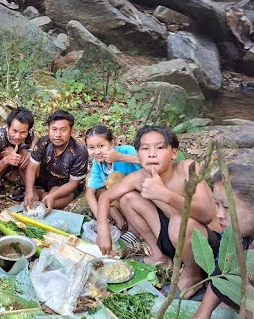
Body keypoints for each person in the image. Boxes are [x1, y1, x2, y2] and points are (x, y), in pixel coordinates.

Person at [97, 126, 216, 294]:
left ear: (174, 153)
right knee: (128, 198)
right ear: (138, 155)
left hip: (205, 243)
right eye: (145, 149)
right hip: (171, 237)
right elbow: (105, 197)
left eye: (159, 148)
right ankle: (160, 255)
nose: (152, 154)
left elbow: (207, 214)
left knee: (178, 220)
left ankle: (192, 273)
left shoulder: (187, 169)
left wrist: (165, 194)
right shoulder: (139, 178)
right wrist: (103, 228)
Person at [192, 162, 253, 319]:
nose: (218, 214)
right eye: (217, 204)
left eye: (226, 207)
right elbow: (221, 272)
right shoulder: (239, 235)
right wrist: (203, 312)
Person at [23, 109, 89, 212]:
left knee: (51, 202)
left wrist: (52, 196)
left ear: (72, 131)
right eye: (54, 129)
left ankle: (44, 194)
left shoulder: (79, 152)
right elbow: (31, 168)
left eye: (63, 130)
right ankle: (40, 192)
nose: (58, 134)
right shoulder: (43, 142)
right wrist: (29, 191)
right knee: (34, 195)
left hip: (65, 185)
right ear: (48, 129)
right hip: (46, 179)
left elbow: (73, 184)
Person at [84, 125, 142, 231]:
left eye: (101, 146)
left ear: (111, 144)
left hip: (139, 198)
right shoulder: (98, 163)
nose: (97, 152)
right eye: (91, 148)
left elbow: (150, 163)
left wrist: (120, 157)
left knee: (114, 178)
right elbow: (90, 192)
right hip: (118, 200)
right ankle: (118, 220)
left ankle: (134, 228)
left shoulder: (126, 151)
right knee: (91, 180)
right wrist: (101, 221)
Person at [0, 107, 35, 187]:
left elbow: (35, 139)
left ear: (28, 130)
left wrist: (30, 151)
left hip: (11, 165)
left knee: (25, 153)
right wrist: (6, 160)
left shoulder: (28, 132)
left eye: (22, 132)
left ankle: (29, 188)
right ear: (8, 126)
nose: (17, 136)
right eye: (14, 131)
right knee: (9, 151)